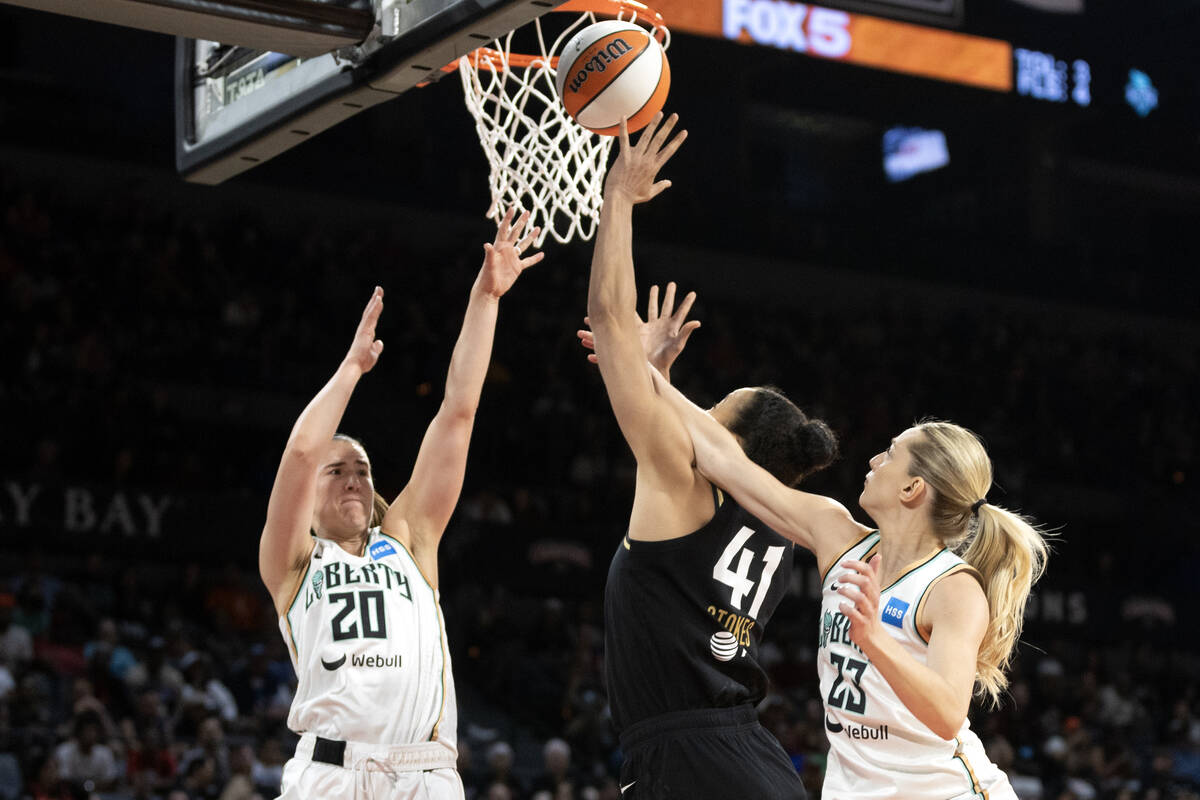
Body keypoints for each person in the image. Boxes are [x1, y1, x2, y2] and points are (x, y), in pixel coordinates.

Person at [583, 113, 837, 799]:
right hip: (748, 759)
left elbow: (607, 319)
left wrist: (619, 200)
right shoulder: (778, 528)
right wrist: (656, 380)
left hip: (695, 764)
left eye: (714, 407)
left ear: (731, 443)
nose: (694, 415)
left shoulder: (685, 480)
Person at [648, 370, 1050, 799]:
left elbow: (948, 713)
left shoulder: (952, 588)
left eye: (891, 453)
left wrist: (875, 639)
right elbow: (726, 463)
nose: (875, 460)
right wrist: (648, 373)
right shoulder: (837, 534)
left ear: (913, 488)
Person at [258, 209, 542, 800]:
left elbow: (458, 412)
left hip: (424, 775)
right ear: (311, 497)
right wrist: (353, 369)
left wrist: (486, 298)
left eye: (362, 469)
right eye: (336, 471)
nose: (354, 480)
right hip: (328, 776)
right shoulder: (292, 562)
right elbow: (298, 453)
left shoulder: (409, 540)